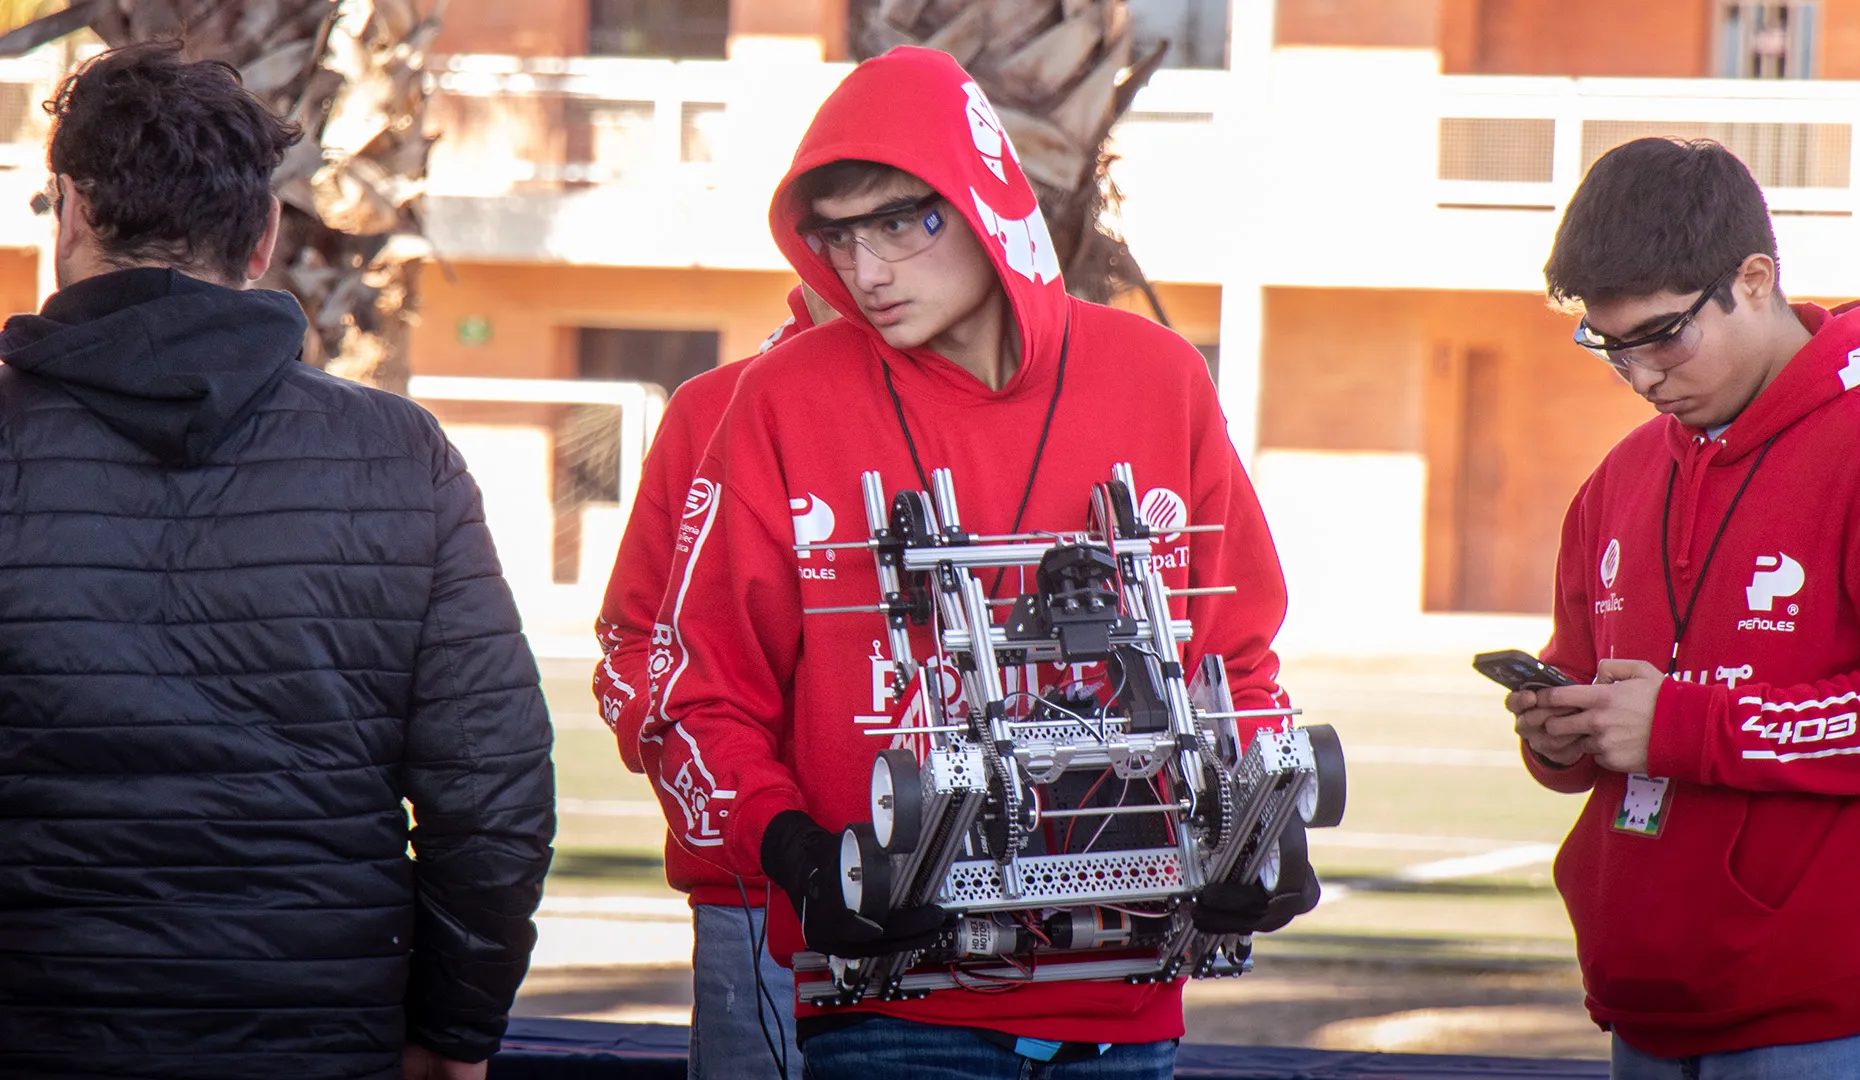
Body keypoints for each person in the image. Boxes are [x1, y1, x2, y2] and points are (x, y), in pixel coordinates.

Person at [640, 47, 1318, 1079]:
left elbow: (1234, 657)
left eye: (901, 223)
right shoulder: (781, 401)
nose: (866, 272)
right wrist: (792, 852)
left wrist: (1263, 825)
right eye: (839, 236)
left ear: (986, 199)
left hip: (1127, 1004)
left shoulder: (1157, 378)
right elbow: (696, 692)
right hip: (887, 1011)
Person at [0, 45, 555, 1080]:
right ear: (263, 238)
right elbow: (492, 798)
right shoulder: (402, 455)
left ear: (69, 212)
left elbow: (494, 790)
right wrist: (455, 1036)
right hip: (318, 1037)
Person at [1508, 136, 1860, 1077]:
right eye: (1612, 351)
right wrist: (1560, 727)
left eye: (1662, 336)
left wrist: (1685, 725)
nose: (1644, 377)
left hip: (1831, 1012)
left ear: (1754, 277)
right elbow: (1586, 673)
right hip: (1644, 1004)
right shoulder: (1622, 476)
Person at [595, 283, 834, 1080]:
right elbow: (634, 644)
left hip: (976, 913)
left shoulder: (1020, 406)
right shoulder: (713, 407)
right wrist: (737, 813)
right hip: (756, 902)